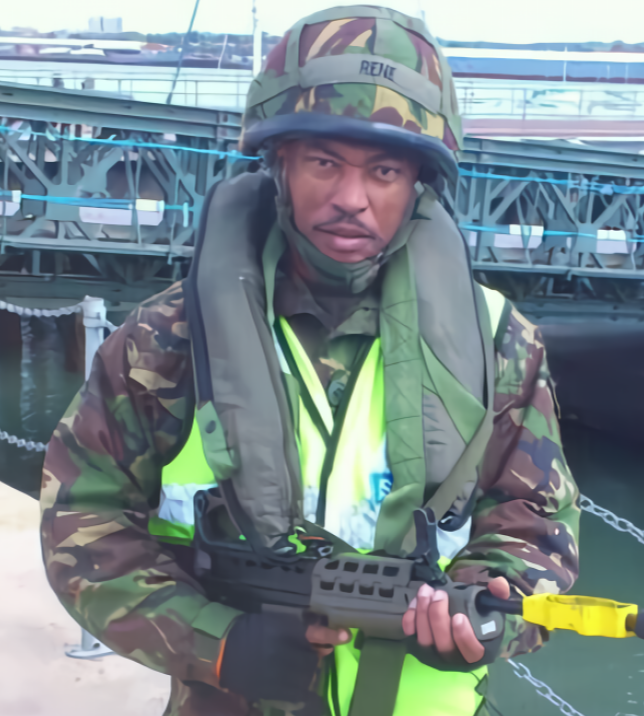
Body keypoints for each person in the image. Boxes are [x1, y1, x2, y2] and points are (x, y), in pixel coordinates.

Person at [39, 7, 580, 716]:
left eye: (384, 171)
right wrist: (215, 642)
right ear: (280, 164)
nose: (351, 199)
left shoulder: (499, 344)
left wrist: (485, 614)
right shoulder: (165, 340)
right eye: (324, 162)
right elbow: (83, 518)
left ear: (418, 183)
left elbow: (537, 524)